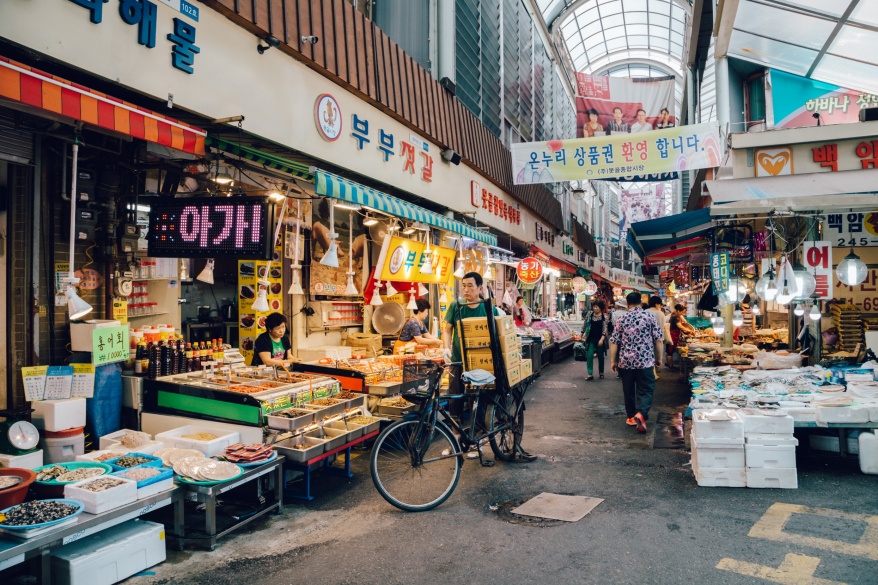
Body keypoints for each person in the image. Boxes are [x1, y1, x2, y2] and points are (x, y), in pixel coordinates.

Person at [443, 271, 537, 463]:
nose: (466, 290)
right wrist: (445, 348)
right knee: (455, 401)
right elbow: (447, 329)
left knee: (477, 402)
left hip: (481, 363)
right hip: (458, 360)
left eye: (470, 286)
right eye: (464, 286)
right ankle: (455, 441)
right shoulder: (456, 306)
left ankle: (476, 444)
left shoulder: (490, 309)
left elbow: (501, 333)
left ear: (480, 288)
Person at [609, 292, 663, 433]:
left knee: (628, 390)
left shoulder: (622, 318)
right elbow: (658, 340)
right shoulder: (649, 316)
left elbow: (614, 341)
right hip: (645, 362)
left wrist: (612, 361)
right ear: (640, 302)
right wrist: (659, 358)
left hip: (626, 362)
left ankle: (632, 417)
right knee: (646, 388)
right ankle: (641, 413)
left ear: (627, 304)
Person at [581, 300, 608, 380]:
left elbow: (604, 329)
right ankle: (590, 374)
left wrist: (602, 339)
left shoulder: (604, 317)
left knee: (600, 356)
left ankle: (601, 372)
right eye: (594, 306)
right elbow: (585, 324)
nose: (595, 308)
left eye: (597, 307)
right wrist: (582, 333)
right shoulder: (590, 315)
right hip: (590, 338)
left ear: (601, 308)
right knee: (589, 355)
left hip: (600, 338)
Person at [667, 304, 696, 370]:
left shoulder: (675, 315)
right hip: (673, 335)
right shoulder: (675, 317)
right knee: (670, 351)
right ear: (678, 310)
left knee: (669, 350)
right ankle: (671, 366)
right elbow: (680, 326)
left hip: (673, 334)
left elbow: (684, 321)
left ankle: (669, 364)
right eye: (682, 312)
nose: (683, 313)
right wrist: (689, 330)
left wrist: (686, 323)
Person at [647, 296, 667, 377]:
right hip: (657, 338)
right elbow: (662, 327)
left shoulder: (645, 312)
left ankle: (652, 372)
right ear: (656, 304)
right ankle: (655, 369)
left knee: (648, 356)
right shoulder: (660, 313)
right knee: (656, 355)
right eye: (659, 304)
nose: (660, 306)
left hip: (646, 338)